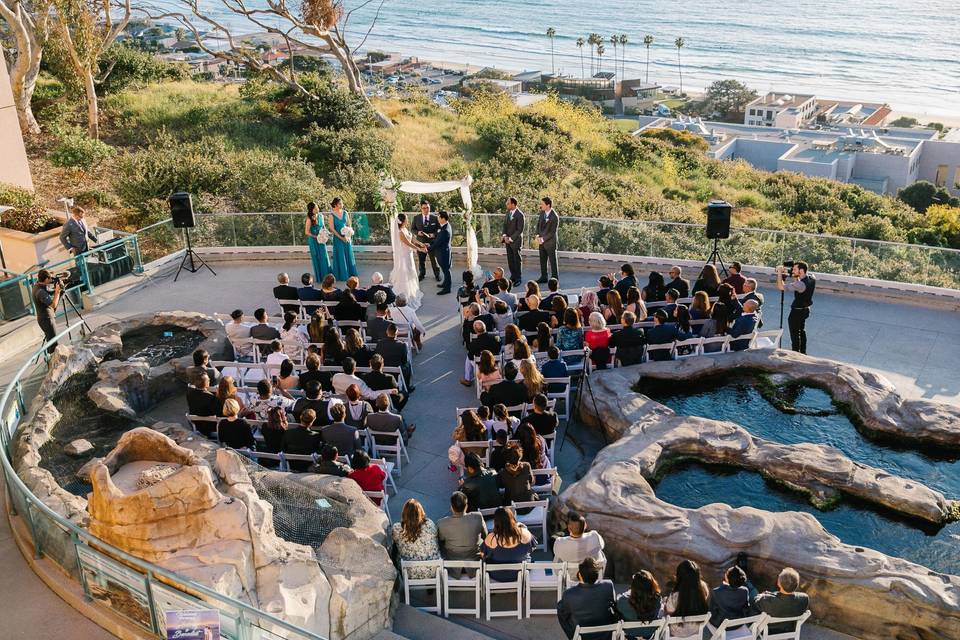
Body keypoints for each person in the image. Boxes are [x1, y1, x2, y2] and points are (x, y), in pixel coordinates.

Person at [556, 558, 619, 640]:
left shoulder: (569, 594)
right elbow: (614, 606)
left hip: (581, 636)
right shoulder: (608, 586)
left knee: (562, 611)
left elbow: (562, 616)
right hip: (607, 635)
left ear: (580, 575)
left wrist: (573, 635)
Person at [480, 507, 537, 582]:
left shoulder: (491, 538)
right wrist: (522, 527)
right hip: (520, 572)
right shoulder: (524, 533)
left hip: (497, 574)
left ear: (496, 521)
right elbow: (533, 548)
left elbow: (482, 555)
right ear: (512, 518)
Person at [752, 567, 810, 634]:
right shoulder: (804, 598)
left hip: (769, 630)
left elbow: (755, 601)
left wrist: (761, 595)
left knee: (753, 592)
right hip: (789, 629)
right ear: (797, 584)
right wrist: (771, 594)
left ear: (778, 584)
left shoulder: (767, 601)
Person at [393, 499, 441, 577]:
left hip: (409, 572)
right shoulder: (429, 524)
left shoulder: (397, 528)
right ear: (420, 512)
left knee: (394, 548)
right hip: (432, 570)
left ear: (404, 513)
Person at [553, 512, 607, 582]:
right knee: (599, 550)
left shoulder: (560, 541)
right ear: (585, 526)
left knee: (558, 555)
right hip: (591, 574)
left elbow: (556, 553)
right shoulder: (594, 536)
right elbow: (602, 545)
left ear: (569, 528)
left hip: (570, 575)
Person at [664, 560, 710, 639]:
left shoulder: (674, 596)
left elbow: (669, 611)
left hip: (677, 633)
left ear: (679, 576)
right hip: (697, 630)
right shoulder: (703, 589)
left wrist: (666, 604)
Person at [437, 491, 487, 563]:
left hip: (453, 566)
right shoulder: (478, 517)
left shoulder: (441, 523)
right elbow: (485, 535)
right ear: (466, 506)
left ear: (451, 507)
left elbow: (440, 541)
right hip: (475, 564)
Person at [390, 212, 427, 311]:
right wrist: (420, 249)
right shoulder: (400, 233)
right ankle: (405, 293)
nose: (408, 220)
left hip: (409, 255)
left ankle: (412, 291)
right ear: (402, 221)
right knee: (406, 273)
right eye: (406, 219)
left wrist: (421, 244)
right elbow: (408, 244)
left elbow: (412, 239)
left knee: (411, 272)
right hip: (404, 256)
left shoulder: (404, 229)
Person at [777, 261, 815, 354]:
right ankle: (802, 352)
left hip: (796, 312)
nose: (792, 271)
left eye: (795, 269)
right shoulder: (812, 278)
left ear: (801, 270)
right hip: (805, 310)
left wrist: (779, 273)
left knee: (794, 334)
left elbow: (781, 287)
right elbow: (799, 286)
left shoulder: (801, 284)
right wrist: (795, 276)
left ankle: (795, 353)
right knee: (801, 332)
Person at [617, 571, 664, 639]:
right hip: (649, 633)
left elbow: (618, 602)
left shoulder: (623, 601)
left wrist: (629, 593)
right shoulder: (657, 599)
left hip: (630, 633)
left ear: (633, 586)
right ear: (651, 584)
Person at [708, 566, 752, 631]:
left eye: (726, 573)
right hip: (738, 623)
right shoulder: (745, 591)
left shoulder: (716, 592)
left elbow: (711, 612)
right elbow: (746, 608)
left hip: (720, 624)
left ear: (727, 578)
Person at [328, 196, 358, 281]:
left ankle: (350, 273)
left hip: (347, 238)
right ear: (335, 205)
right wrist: (341, 237)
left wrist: (348, 234)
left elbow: (349, 224)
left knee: (348, 254)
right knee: (340, 255)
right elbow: (332, 229)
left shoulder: (345, 213)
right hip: (338, 238)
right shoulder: (331, 215)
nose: (342, 205)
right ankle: (342, 274)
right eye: (340, 204)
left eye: (342, 203)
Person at [463, 320, 501, 386]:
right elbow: (500, 346)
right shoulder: (495, 337)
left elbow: (471, 357)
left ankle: (467, 379)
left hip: (481, 364)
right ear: (485, 327)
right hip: (495, 361)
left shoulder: (474, 344)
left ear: (475, 330)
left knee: (468, 358)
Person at [32, 270, 62, 353]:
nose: (51, 280)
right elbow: (53, 305)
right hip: (46, 319)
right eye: (50, 278)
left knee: (51, 341)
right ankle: (53, 362)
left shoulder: (37, 285)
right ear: (45, 279)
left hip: (44, 318)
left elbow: (48, 292)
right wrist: (57, 292)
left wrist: (58, 288)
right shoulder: (40, 292)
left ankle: (51, 359)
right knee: (53, 344)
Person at [375, 323, 412, 389]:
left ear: (387, 332)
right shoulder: (402, 345)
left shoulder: (380, 343)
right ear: (397, 333)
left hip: (382, 369)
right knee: (408, 364)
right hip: (397, 371)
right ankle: (407, 387)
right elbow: (404, 361)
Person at [412, 199, 440, 282]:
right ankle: (422, 274)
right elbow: (412, 229)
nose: (426, 210)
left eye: (427, 207)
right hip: (420, 243)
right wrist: (418, 232)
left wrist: (434, 234)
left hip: (432, 243)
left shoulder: (435, 218)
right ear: (421, 208)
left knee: (434, 260)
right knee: (421, 260)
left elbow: (439, 229)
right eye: (424, 208)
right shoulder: (416, 218)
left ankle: (437, 274)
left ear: (430, 208)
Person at [425, 210, 453, 294]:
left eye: (438, 216)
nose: (437, 217)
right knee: (445, 270)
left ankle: (447, 289)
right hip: (443, 252)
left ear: (443, 218)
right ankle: (445, 283)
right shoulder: (445, 226)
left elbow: (437, 243)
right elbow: (439, 236)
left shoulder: (445, 230)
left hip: (443, 253)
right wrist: (434, 235)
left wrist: (428, 248)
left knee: (446, 270)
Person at [305, 201, 331, 282]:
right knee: (317, 257)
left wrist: (325, 234)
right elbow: (306, 232)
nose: (317, 209)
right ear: (311, 210)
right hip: (313, 240)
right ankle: (320, 276)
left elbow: (323, 227)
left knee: (324, 256)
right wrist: (316, 237)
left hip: (321, 240)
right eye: (315, 208)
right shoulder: (309, 219)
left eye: (317, 207)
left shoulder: (321, 216)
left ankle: (327, 275)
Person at [535, 196, 559, 283]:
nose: (541, 206)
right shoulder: (542, 213)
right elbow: (538, 224)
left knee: (553, 261)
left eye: (542, 204)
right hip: (541, 242)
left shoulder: (554, 216)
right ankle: (544, 277)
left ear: (548, 205)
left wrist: (543, 239)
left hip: (550, 242)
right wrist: (537, 235)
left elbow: (552, 232)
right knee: (542, 260)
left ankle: (554, 279)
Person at [502, 197, 525, 285]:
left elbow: (519, 230)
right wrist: (504, 236)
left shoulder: (520, 215)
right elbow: (504, 225)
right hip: (507, 240)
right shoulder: (508, 212)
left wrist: (510, 239)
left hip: (515, 241)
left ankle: (518, 278)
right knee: (510, 259)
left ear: (513, 204)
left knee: (517, 260)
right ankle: (513, 276)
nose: (506, 204)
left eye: (508, 203)